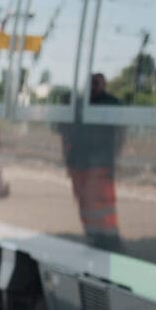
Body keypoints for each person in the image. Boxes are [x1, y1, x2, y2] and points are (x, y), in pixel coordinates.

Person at [55, 73, 124, 250]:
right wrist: (67, 161)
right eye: (91, 83)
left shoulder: (110, 102)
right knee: (84, 202)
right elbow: (65, 134)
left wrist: (114, 156)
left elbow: (120, 134)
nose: (94, 86)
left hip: (100, 163)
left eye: (97, 83)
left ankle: (110, 239)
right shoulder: (78, 104)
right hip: (78, 162)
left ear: (104, 84)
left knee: (102, 203)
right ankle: (92, 235)